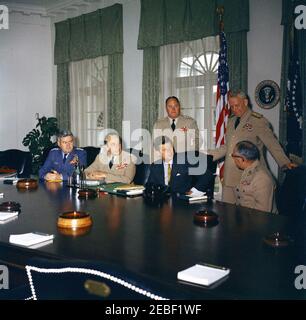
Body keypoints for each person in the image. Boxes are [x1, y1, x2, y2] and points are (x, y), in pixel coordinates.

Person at [208, 89, 296, 204]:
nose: (234, 109)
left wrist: (285, 163)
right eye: (232, 106)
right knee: (227, 214)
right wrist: (208, 156)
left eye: (237, 105)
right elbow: (228, 146)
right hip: (230, 176)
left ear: (245, 102)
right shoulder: (231, 121)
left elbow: (272, 143)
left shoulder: (258, 121)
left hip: (249, 176)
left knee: (248, 216)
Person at [146, 137, 215, 194]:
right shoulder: (155, 166)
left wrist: (194, 191)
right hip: (162, 204)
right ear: (158, 152)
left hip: (182, 202)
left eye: (170, 148)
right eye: (164, 150)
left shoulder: (184, 160)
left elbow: (207, 175)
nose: (169, 152)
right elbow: (150, 186)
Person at [232, 141, 275, 212]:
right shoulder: (249, 170)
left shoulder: (261, 178)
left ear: (241, 159)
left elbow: (262, 214)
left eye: (233, 155)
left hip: (256, 220)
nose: (233, 159)